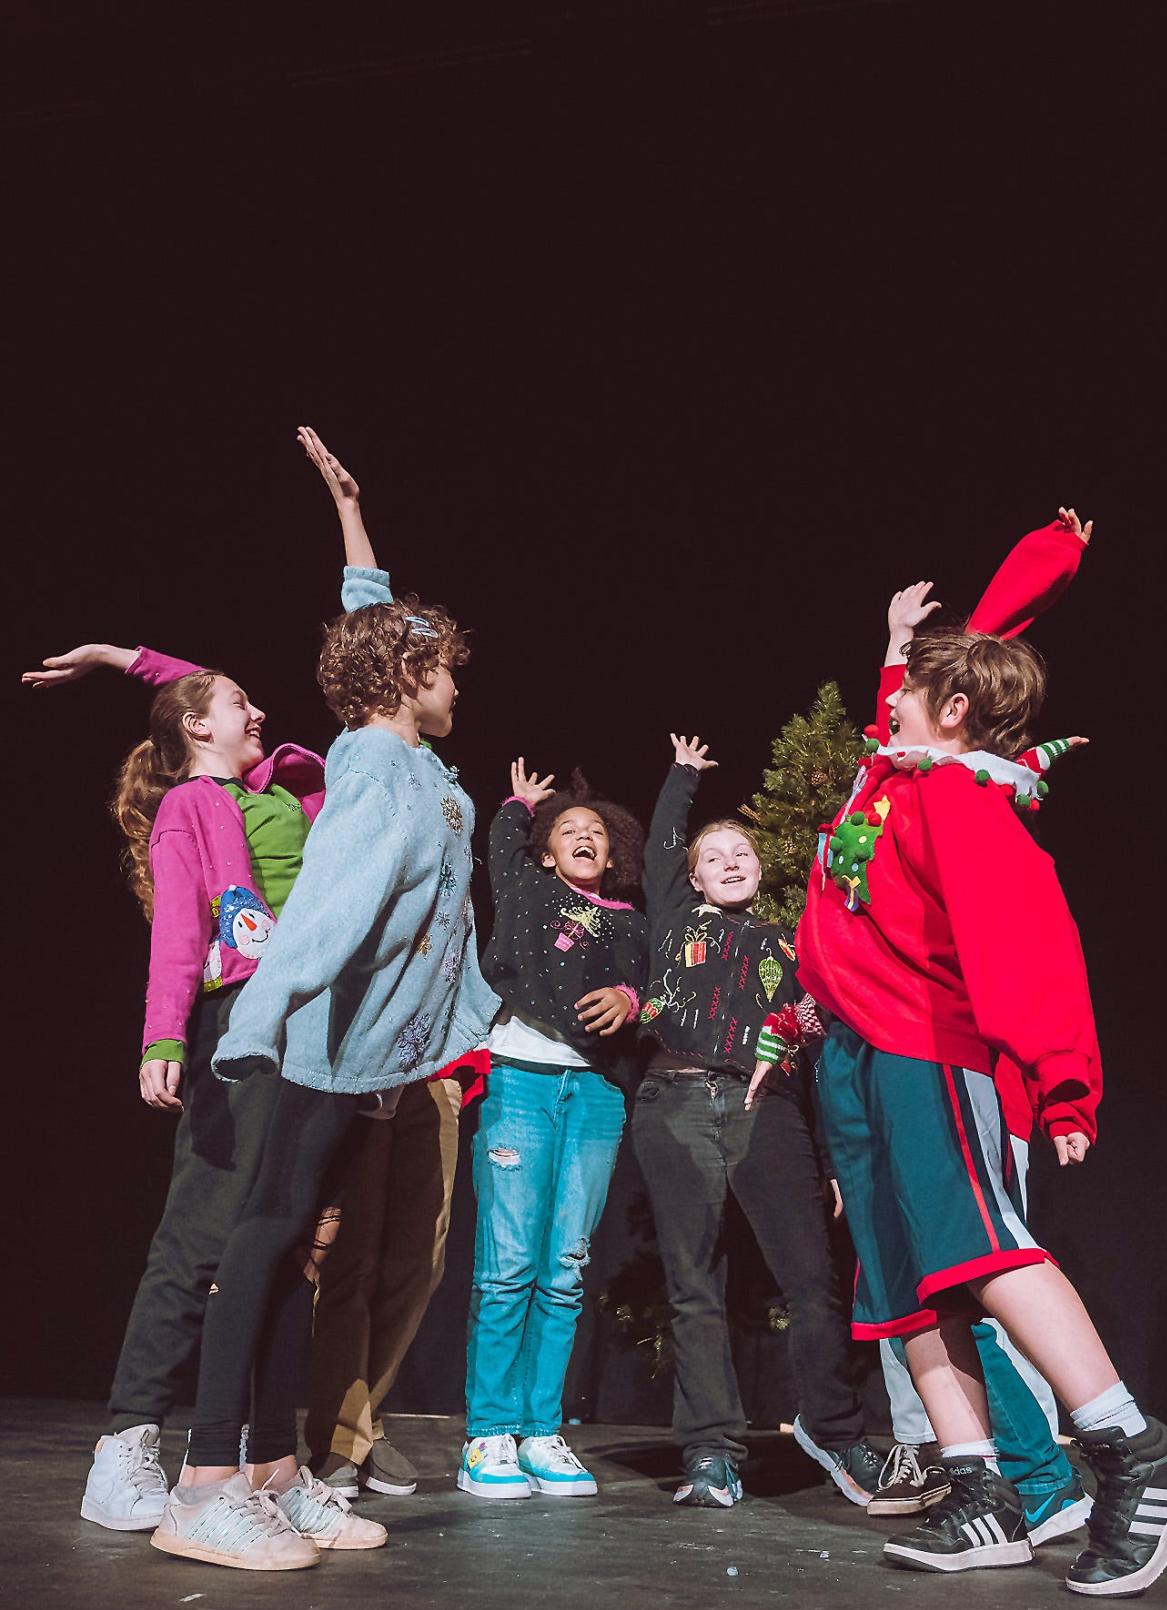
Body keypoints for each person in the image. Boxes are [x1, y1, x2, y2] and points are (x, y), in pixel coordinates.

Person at [751, 508, 1167, 1596]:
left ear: (950, 714)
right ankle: (983, 1491)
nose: (887, 706)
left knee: (979, 1251)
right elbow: (929, 687)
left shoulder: (958, 799)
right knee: (907, 1286)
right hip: (857, 1054)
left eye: (907, 693)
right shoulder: (894, 777)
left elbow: (1030, 942)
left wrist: (1062, 1086)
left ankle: (1135, 1450)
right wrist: (920, 631)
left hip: (926, 1048)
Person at [22, 640, 384, 1566]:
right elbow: (182, 930)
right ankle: (129, 1442)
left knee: (290, 1242)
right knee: (203, 1233)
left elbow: (207, 693)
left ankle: (270, 1467)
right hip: (239, 1023)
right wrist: (163, 1037)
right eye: (239, 701)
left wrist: (120, 656)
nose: (259, 712)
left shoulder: (282, 789)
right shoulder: (193, 803)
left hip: (315, 1028)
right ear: (196, 727)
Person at [293, 427, 490, 1502]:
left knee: (420, 1252)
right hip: (369, 1043)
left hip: (433, 1051)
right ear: (409, 675)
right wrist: (348, 522)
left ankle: (357, 1433)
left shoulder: (430, 767)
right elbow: (376, 631)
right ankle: (325, 1441)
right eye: (444, 666)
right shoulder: (371, 756)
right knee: (355, 1250)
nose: (457, 679)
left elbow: (388, 633)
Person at [630, 732, 882, 1509]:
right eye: (716, 854)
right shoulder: (674, 918)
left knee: (812, 1278)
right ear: (693, 875)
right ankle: (711, 1453)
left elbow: (814, 1054)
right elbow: (663, 844)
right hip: (672, 1103)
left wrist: (833, 1160)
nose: (732, 861)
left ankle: (836, 1434)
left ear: (760, 867)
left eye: (742, 852)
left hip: (762, 1108)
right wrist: (682, 777)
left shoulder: (793, 944)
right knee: (694, 1284)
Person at [459, 764, 648, 1500]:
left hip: (595, 1092)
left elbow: (649, 981)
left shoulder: (629, 922)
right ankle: (489, 1433)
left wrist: (631, 998)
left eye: (595, 833)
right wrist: (519, 805)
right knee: (508, 1263)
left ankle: (540, 1430)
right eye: (567, 830)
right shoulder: (528, 890)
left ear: (612, 856)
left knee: (564, 1269)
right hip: (521, 1078)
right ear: (544, 852)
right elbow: (500, 840)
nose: (582, 836)